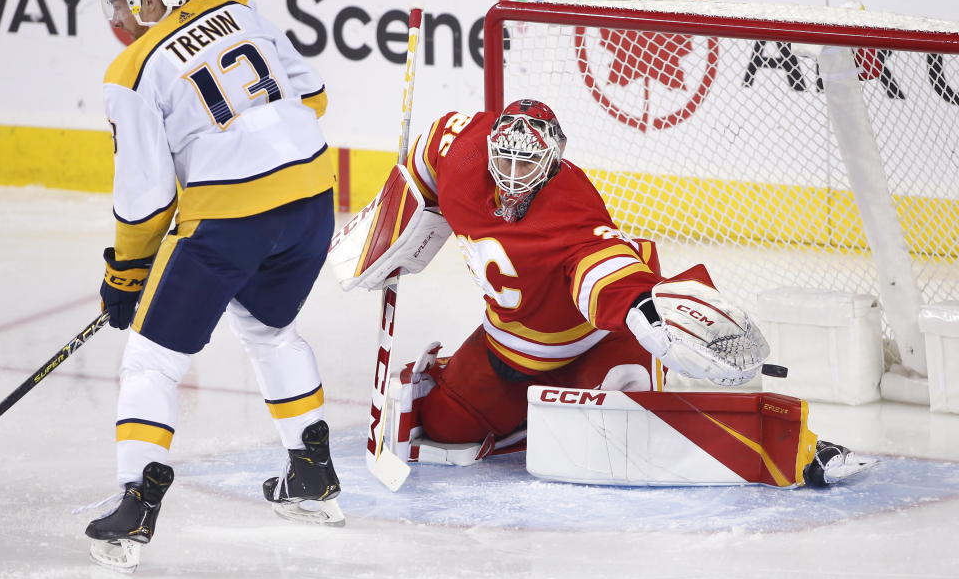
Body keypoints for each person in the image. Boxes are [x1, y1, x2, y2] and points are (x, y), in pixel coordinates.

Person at [330, 98, 875, 488]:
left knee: (625, 431)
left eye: (529, 163)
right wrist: (398, 223)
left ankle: (789, 447)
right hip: (504, 344)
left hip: (588, 342)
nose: (514, 175)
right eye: (506, 159)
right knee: (446, 428)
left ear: (554, 161)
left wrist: (643, 311)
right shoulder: (467, 154)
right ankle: (528, 416)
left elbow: (604, 272)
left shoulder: (571, 204)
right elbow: (430, 150)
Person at [85, 0, 342, 572]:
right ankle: (312, 476)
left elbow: (144, 200)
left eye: (123, 3)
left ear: (153, 1)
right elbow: (312, 98)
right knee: (269, 329)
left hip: (232, 221)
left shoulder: (131, 73)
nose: (116, 17)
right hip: (312, 197)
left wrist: (125, 273)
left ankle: (135, 503)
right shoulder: (241, 9)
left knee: (150, 360)